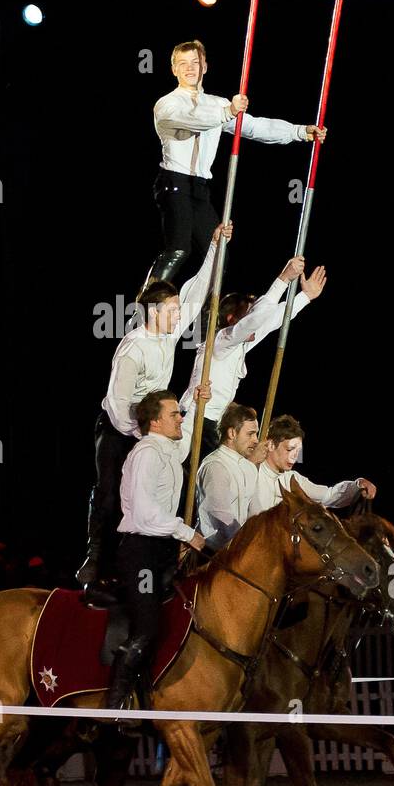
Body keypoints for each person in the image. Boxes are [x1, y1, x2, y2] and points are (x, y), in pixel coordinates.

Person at [76, 223, 231, 587]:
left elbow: (196, 292)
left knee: (161, 490)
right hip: (119, 428)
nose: (180, 314)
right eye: (173, 309)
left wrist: (215, 247)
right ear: (155, 312)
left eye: (178, 309)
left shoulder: (169, 333)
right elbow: (117, 404)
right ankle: (95, 559)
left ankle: (157, 562)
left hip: (150, 428)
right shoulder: (133, 347)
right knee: (113, 492)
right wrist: (141, 434)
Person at [144, 39, 326, 286]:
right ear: (174, 69)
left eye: (195, 62)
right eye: (182, 64)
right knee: (178, 249)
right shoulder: (167, 104)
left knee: (219, 256)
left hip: (200, 189)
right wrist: (226, 113)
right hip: (174, 182)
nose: (190, 68)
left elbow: (254, 126)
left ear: (205, 66)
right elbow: (192, 119)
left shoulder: (217, 104)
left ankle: (205, 314)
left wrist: (300, 132)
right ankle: (146, 306)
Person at [106, 390, 206, 729]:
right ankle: (116, 705)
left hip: (161, 549)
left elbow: (185, 442)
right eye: (175, 414)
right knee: (148, 626)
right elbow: (147, 515)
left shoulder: (166, 449)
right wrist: (184, 532)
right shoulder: (147, 453)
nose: (180, 418)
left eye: (180, 413)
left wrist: (196, 402)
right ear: (155, 421)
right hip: (141, 551)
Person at [180, 257, 327, 458]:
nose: (255, 322)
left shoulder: (240, 344)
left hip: (212, 423)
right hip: (195, 419)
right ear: (232, 319)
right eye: (249, 314)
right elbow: (255, 321)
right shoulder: (221, 340)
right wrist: (283, 278)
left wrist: (305, 297)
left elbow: (270, 320)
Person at [249, 414, 377, 516]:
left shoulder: (293, 478)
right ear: (271, 445)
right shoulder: (251, 471)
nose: (295, 456)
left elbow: (328, 496)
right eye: (290, 449)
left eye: (298, 452)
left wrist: (357, 485)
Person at [196, 403, 266, 550]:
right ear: (232, 433)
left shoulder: (249, 468)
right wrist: (244, 545)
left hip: (238, 551)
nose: (256, 440)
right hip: (212, 552)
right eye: (250, 434)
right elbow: (220, 515)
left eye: (256, 433)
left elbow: (256, 512)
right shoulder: (216, 465)